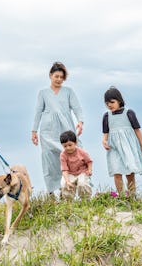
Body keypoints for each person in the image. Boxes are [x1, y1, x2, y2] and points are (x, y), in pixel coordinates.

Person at [32, 62, 84, 197]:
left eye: (62, 77)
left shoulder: (68, 92)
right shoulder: (43, 93)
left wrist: (80, 121)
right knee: (49, 160)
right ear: (50, 75)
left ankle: (66, 189)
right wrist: (34, 131)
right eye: (56, 76)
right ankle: (51, 192)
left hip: (66, 129)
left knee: (70, 155)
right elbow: (38, 112)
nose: (59, 79)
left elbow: (77, 107)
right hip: (47, 131)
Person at [102, 86, 142, 196]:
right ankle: (121, 197)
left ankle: (132, 197)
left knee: (129, 173)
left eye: (112, 102)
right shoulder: (107, 116)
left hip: (128, 147)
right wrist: (104, 142)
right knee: (117, 171)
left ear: (119, 101)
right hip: (114, 148)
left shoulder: (129, 113)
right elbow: (105, 133)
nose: (109, 105)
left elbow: (137, 130)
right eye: (107, 103)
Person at [59, 130, 92, 200]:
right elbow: (64, 169)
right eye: (65, 146)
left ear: (75, 143)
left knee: (82, 183)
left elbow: (89, 161)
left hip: (82, 172)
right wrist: (67, 181)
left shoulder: (82, 152)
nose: (68, 148)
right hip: (70, 173)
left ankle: (86, 200)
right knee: (65, 184)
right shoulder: (63, 155)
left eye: (70, 145)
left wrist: (89, 170)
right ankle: (68, 201)